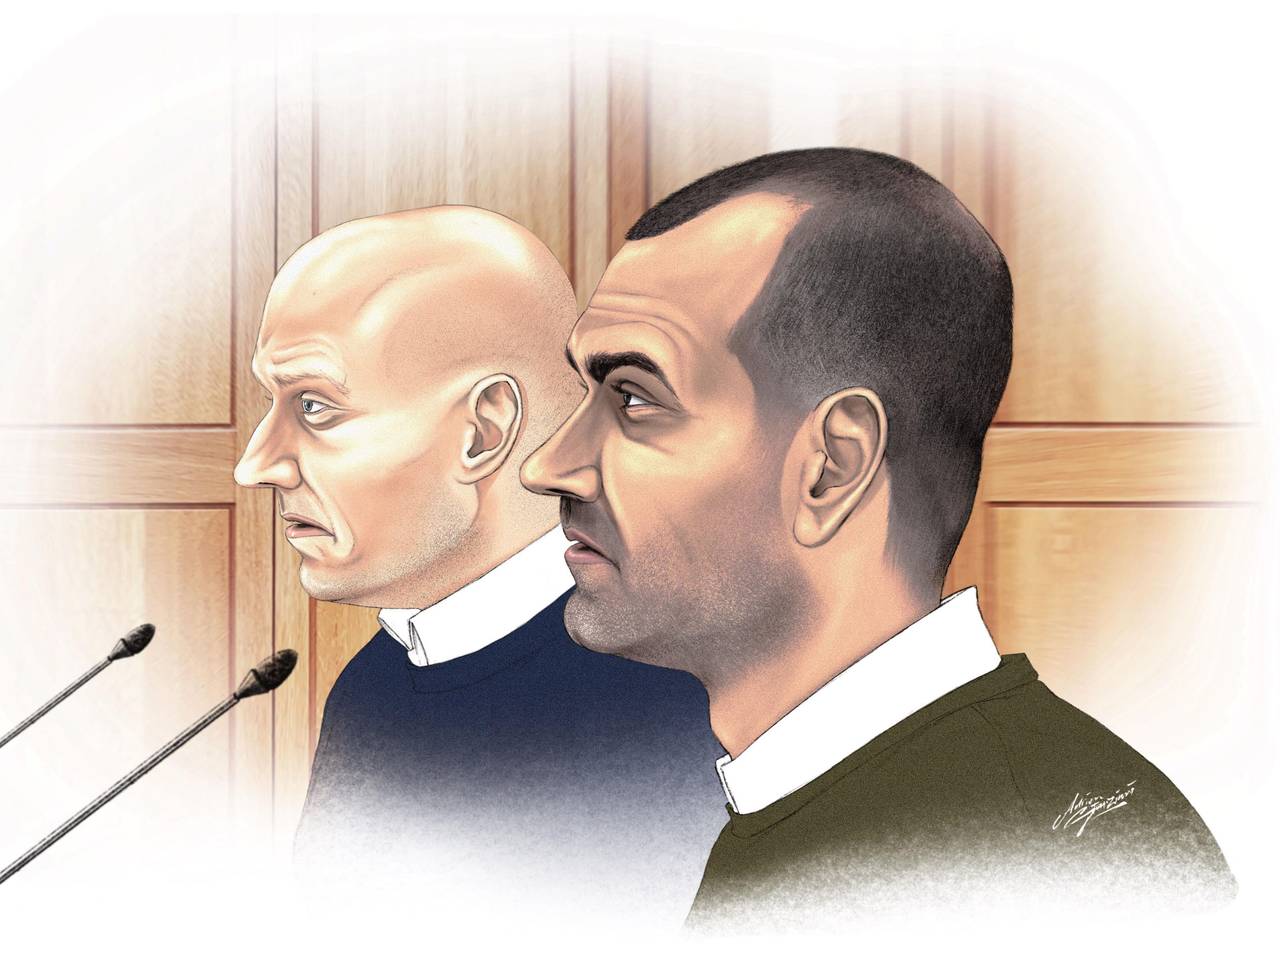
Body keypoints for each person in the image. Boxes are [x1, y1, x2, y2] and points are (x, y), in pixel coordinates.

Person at [520, 148, 1237, 930]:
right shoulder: (826, 807)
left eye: (634, 399)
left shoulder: (1052, 873)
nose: (547, 466)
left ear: (833, 467)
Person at [233, 205, 724, 928]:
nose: (256, 464)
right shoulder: (373, 685)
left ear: (483, 430)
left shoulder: (679, 694)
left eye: (314, 407)